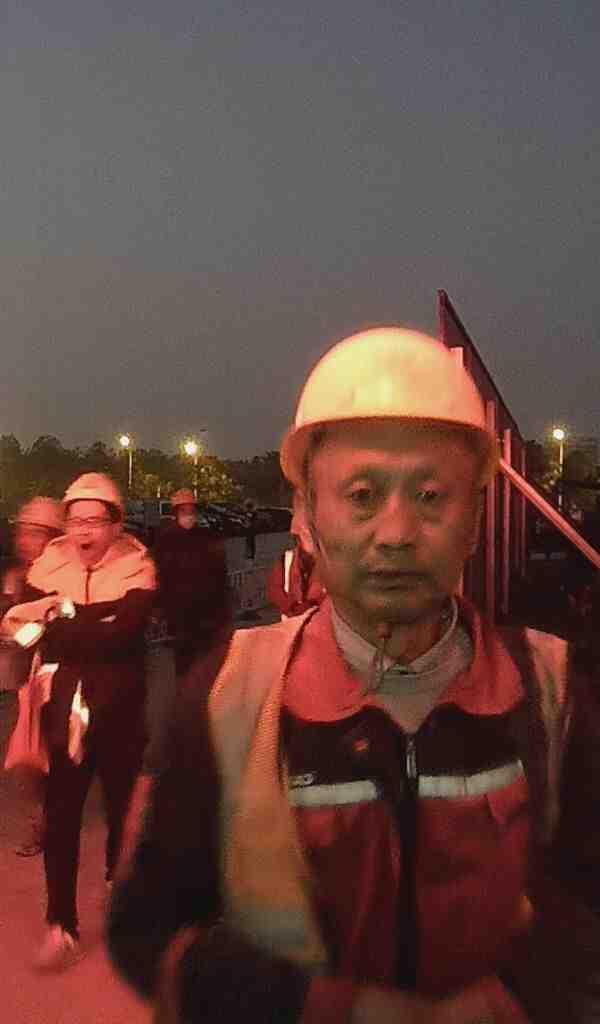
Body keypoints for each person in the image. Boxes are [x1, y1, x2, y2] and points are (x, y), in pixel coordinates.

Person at [108, 328, 600, 1023]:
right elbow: (146, 932)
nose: (395, 533)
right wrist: (325, 1008)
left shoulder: (550, 689)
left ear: (474, 521)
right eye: (362, 495)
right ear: (309, 517)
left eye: (431, 496)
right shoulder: (231, 694)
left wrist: (518, 996)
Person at [1, 473, 156, 969]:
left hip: (121, 714)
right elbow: (22, 627)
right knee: (62, 817)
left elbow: (125, 633)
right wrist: (85, 619)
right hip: (63, 713)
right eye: (75, 520)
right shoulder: (49, 565)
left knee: (122, 809)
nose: (84, 531)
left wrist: (62, 616)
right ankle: (61, 923)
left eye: (95, 520)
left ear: (116, 524)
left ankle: (118, 885)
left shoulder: (139, 566)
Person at [0, 497, 64, 856]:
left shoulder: (60, 578)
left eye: (36, 533)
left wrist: (19, 633)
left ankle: (54, 826)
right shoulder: (17, 577)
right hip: (26, 681)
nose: (26, 541)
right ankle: (42, 825)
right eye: (23, 532)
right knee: (28, 757)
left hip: (57, 680)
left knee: (54, 755)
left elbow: (48, 629)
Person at [267, 503, 326, 619]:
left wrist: (312, 606)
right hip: (292, 623)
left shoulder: (331, 562)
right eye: (305, 533)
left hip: (319, 623)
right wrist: (292, 608)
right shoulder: (286, 560)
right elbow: (274, 590)